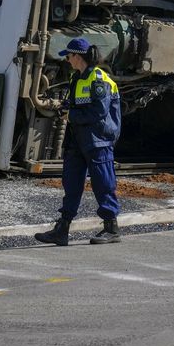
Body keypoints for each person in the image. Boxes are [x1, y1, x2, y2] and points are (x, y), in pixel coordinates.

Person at [35, 37, 123, 246]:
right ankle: (62, 229)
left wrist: (71, 116)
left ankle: (111, 228)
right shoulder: (78, 78)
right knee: (71, 184)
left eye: (69, 56)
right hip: (78, 139)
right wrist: (63, 106)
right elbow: (77, 104)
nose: (67, 60)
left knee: (103, 183)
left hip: (98, 140)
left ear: (78, 56)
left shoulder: (98, 79)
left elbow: (99, 112)